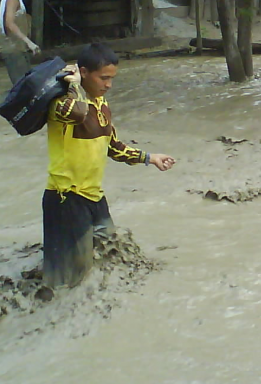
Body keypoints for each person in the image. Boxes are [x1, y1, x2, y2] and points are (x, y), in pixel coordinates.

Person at [43, 42, 176, 287]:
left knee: (107, 243)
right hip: (65, 196)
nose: (109, 85)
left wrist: (149, 158)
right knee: (74, 273)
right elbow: (78, 114)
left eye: (112, 79)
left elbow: (113, 147)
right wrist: (73, 85)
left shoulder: (102, 105)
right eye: (103, 78)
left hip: (93, 195)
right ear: (83, 73)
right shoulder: (61, 103)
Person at [0, 0, 41, 84]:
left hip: (17, 48)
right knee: (23, 85)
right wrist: (28, 42)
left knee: (25, 83)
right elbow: (9, 23)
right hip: (13, 49)